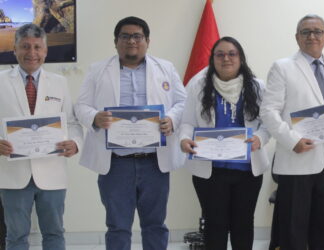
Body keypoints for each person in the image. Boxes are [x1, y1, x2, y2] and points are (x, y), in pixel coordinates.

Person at [74, 16, 187, 250]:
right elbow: (81, 106)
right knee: (118, 226)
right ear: (116, 42)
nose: (131, 41)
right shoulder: (98, 70)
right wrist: (94, 117)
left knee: (155, 224)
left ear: (147, 41)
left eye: (137, 36)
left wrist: (172, 120)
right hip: (116, 164)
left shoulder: (165, 68)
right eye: (125, 36)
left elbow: (183, 103)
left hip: (154, 162)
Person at [260, 14, 324, 250]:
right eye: (306, 32)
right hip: (295, 160)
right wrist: (293, 140)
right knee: (293, 230)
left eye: (317, 31)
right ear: (297, 37)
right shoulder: (282, 67)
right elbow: (268, 111)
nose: (312, 36)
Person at [180, 36, 271, 250]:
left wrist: (260, 138)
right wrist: (184, 140)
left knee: (243, 225)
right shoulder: (198, 84)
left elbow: (268, 124)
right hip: (210, 171)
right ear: (213, 59)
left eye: (232, 54)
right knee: (214, 226)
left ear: (240, 58)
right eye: (219, 54)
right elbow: (186, 122)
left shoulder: (258, 87)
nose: (226, 58)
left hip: (248, 170)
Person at [0, 24, 82, 250]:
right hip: (12, 174)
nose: (31, 53)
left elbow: (73, 123)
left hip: (52, 172)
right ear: (14, 49)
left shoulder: (60, 83)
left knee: (54, 233)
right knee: (15, 236)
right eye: (25, 46)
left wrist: (75, 143)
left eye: (37, 47)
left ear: (46, 51)